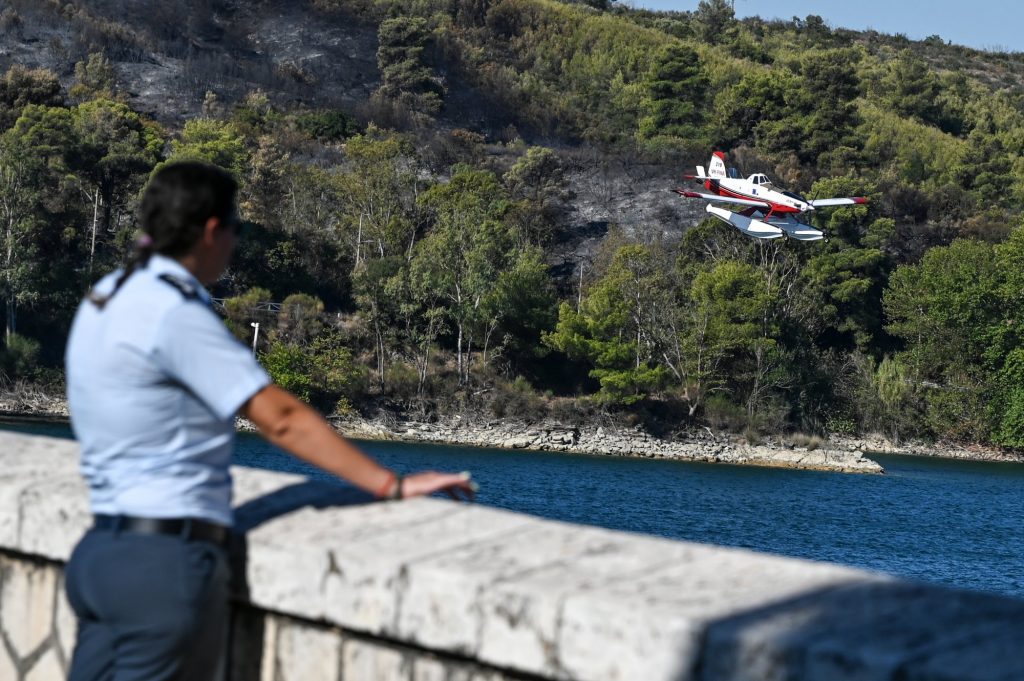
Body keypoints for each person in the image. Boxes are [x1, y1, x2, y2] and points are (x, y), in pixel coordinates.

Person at [63, 161, 474, 681]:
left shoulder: (106, 297)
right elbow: (277, 417)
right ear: (212, 230)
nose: (235, 241)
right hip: (163, 567)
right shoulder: (173, 312)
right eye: (235, 228)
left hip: (99, 557)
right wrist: (390, 485)